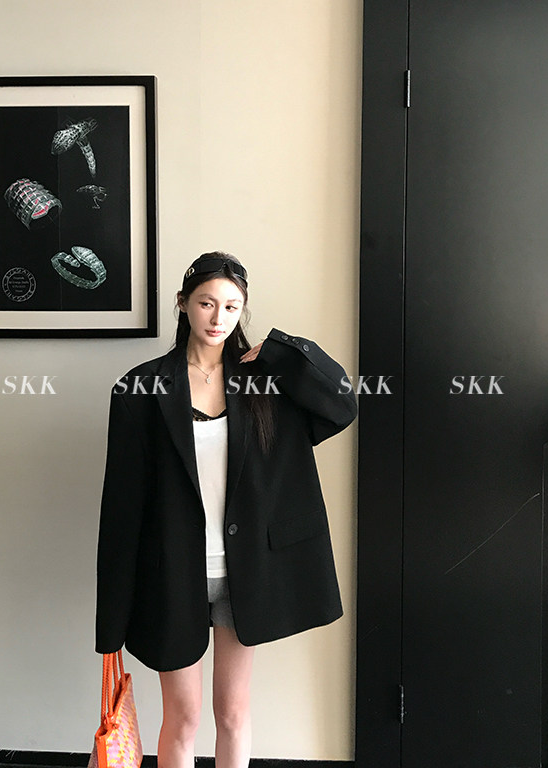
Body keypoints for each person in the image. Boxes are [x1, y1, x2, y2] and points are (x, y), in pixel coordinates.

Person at [94, 251, 357, 768]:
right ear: (183, 304)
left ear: (243, 309)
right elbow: (120, 507)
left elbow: (342, 404)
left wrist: (284, 352)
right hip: (174, 572)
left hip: (246, 570)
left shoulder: (266, 384)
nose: (219, 318)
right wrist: (110, 622)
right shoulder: (142, 388)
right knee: (184, 718)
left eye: (232, 307)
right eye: (207, 303)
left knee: (233, 714)